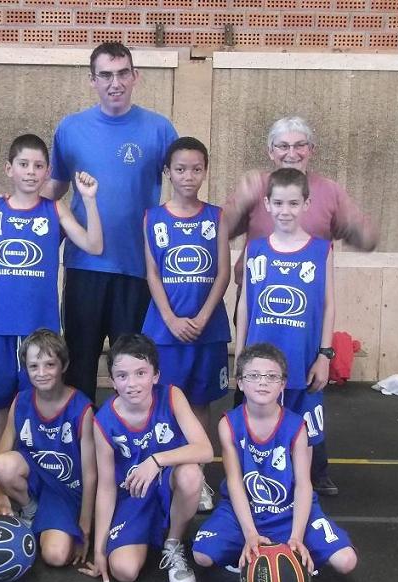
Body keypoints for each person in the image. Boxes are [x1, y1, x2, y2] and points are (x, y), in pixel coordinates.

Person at [0, 134, 102, 505]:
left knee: (35, 402)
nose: (30, 171)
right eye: (23, 164)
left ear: (47, 172)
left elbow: (94, 245)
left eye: (39, 166)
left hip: (38, 330)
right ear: (9, 169)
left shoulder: (55, 210)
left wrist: (89, 201)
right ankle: (1, 474)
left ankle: (35, 468)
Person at [223, 115, 378, 496]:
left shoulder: (330, 193)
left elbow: (366, 239)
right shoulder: (256, 189)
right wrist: (239, 200)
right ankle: (250, 470)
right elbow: (219, 230)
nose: (291, 153)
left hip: (303, 326)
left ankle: (312, 473)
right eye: (283, 146)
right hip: (260, 317)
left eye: (299, 145)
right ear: (270, 151)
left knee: (305, 399)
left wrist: (325, 353)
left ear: (311, 150)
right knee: (254, 394)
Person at [42, 42, 179, 404]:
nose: (114, 83)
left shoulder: (160, 130)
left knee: (132, 369)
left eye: (122, 74)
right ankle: (81, 438)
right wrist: (20, 217)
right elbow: (54, 190)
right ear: (92, 80)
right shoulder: (70, 128)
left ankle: (126, 437)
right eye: (105, 75)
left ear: (135, 77)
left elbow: (184, 182)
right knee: (78, 365)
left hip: (137, 268)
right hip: (84, 266)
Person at [192, 343, 357, 577]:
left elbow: (303, 485)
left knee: (346, 561)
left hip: (288, 509)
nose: (262, 382)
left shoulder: (297, 426)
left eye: (271, 376)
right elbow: (235, 482)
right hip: (244, 510)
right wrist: (250, 533)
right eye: (253, 375)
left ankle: (288, 547)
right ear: (240, 382)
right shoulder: (228, 424)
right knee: (202, 555)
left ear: (283, 384)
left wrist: (297, 537)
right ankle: (250, 545)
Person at [80, 334, 213, 582]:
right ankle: (147, 532)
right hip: (133, 495)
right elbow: (106, 487)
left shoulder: (172, 396)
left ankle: (173, 544)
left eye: (141, 373)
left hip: (167, 486)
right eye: (122, 376)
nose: (132, 384)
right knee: (124, 571)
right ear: (112, 381)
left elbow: (205, 450)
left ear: (155, 375)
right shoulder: (104, 421)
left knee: (191, 474)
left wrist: (156, 460)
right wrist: (99, 549)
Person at [142, 136, 231, 513]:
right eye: (180, 169)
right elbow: (152, 273)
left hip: (207, 330)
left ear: (205, 171)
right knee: (166, 404)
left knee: (199, 401)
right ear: (168, 172)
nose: (188, 176)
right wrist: (170, 319)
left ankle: (198, 476)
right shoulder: (153, 217)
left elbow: (223, 273)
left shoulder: (217, 217)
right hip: (166, 332)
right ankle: (165, 475)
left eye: (196, 169)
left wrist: (204, 316)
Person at [236, 168, 334, 474]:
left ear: (307, 204)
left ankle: (302, 487)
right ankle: (261, 486)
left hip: (302, 360)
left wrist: (324, 355)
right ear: (267, 204)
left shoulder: (321, 250)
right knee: (259, 431)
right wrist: (239, 354)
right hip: (258, 363)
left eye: (293, 203)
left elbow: (328, 305)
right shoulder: (255, 248)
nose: (285, 211)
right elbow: (245, 304)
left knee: (302, 435)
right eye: (278, 203)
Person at [0, 329, 96, 567]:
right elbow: (0, 454)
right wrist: (1, 498)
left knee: (55, 557)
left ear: (63, 365)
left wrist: (85, 524)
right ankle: (30, 511)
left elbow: (90, 474)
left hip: (66, 490)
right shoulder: (21, 401)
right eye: (33, 366)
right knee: (3, 465)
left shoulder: (82, 409)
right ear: (26, 369)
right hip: (36, 480)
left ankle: (51, 523)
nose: (41, 373)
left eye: (49, 364)